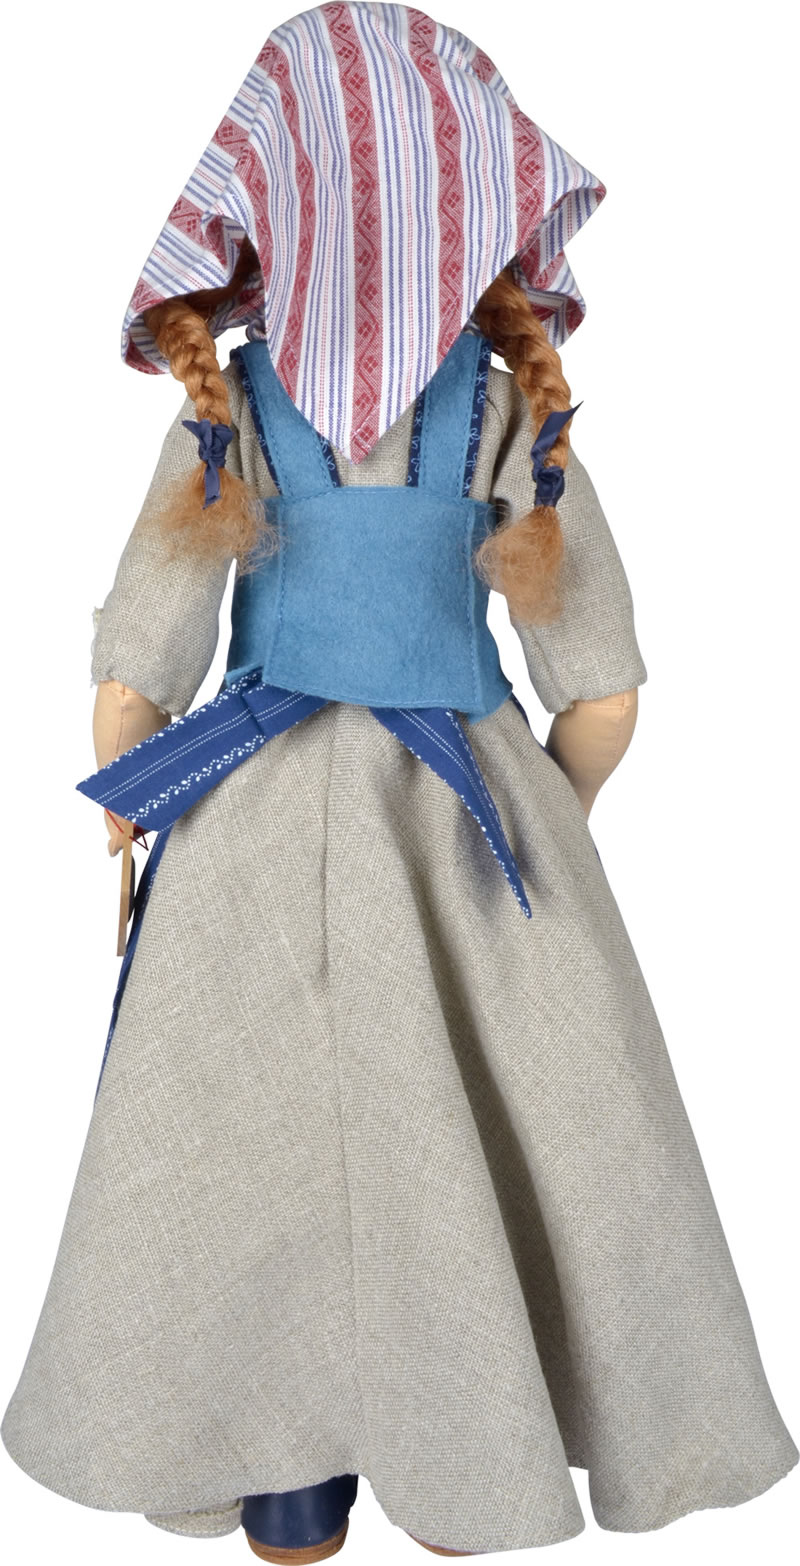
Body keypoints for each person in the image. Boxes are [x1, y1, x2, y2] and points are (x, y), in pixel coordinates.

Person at [2, 5, 796, 1561]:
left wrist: (131, 802)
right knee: (502, 1126)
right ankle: (471, 1452)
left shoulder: (232, 415)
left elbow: (134, 674)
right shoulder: (500, 413)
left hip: (253, 807)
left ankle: (287, 1476)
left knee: (248, 1133)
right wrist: (544, 825)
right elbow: (606, 690)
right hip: (464, 801)